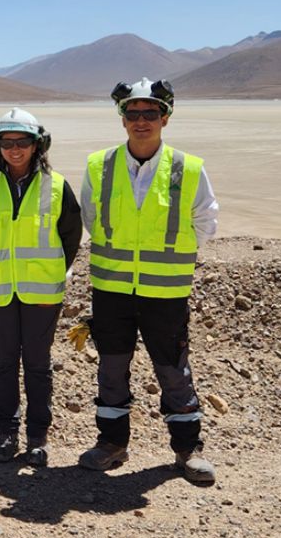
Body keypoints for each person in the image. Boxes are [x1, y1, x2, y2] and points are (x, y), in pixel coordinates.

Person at [77, 78, 220, 483]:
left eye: (150, 113)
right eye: (133, 113)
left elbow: (206, 219)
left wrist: (175, 256)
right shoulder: (98, 165)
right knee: (111, 368)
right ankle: (111, 444)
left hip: (165, 292)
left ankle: (187, 450)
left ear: (166, 117)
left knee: (173, 369)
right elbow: (90, 217)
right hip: (112, 289)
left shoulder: (188, 168)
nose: (141, 121)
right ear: (122, 118)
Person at [0, 108, 82, 467]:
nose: (14, 150)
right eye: (7, 143)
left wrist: (49, 271)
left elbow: (70, 237)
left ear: (37, 145)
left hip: (41, 293)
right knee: (3, 363)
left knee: (37, 364)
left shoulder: (58, 185)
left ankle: (37, 439)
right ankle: (6, 435)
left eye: (22, 142)